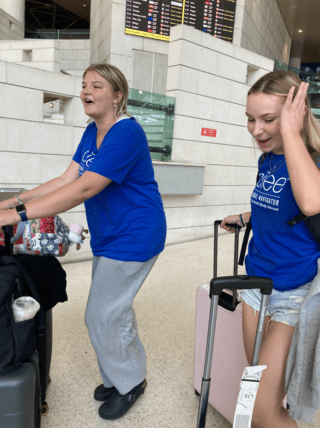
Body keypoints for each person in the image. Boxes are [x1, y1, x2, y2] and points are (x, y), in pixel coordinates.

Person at [0, 63, 167, 420]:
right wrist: (12, 201)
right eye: (84, 85)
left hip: (136, 235)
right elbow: (66, 179)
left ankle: (131, 381)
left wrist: (19, 215)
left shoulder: (127, 133)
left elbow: (85, 187)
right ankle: (119, 374)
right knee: (112, 311)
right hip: (111, 236)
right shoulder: (93, 131)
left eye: (97, 85)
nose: (86, 91)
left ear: (117, 96)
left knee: (100, 314)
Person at [221, 70, 320, 428]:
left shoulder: (312, 158)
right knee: (262, 385)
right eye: (250, 119)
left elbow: (311, 202)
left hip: (292, 294)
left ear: (296, 113)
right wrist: (247, 216)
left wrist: (292, 132)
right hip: (255, 286)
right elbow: (280, 206)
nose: (256, 130)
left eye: (268, 119)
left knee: (262, 411)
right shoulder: (269, 158)